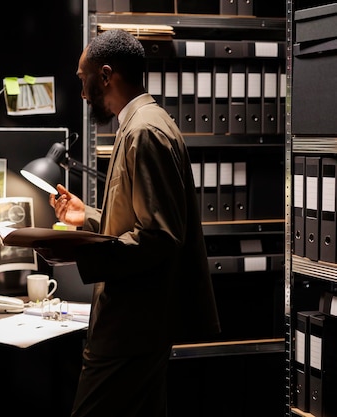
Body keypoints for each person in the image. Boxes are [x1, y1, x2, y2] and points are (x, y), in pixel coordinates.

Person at [48, 30, 221, 417]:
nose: (81, 91)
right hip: (138, 326)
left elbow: (159, 236)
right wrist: (88, 218)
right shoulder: (144, 122)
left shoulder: (144, 131)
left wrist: (78, 249)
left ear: (106, 75)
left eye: (82, 78)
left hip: (131, 329)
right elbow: (143, 219)